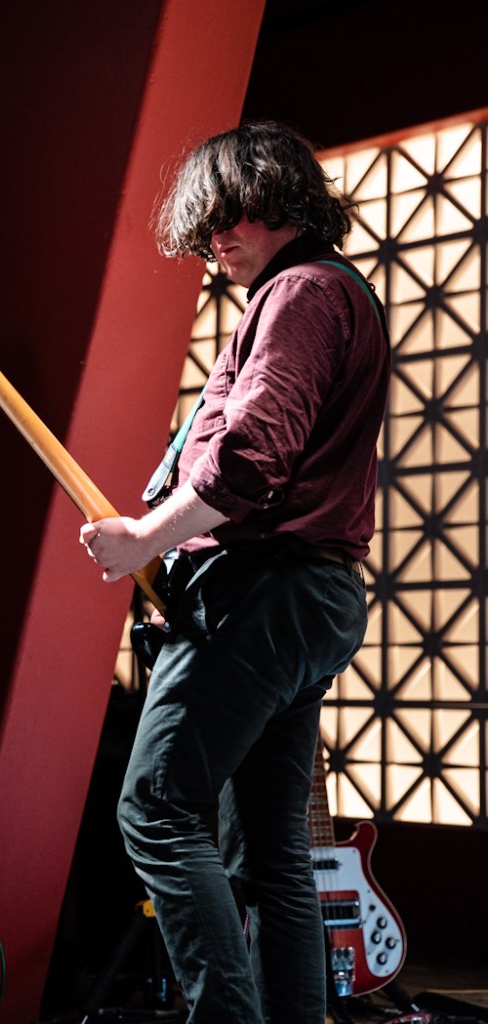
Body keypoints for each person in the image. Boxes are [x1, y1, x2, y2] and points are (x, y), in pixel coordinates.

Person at [79, 120, 390, 1024]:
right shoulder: (333, 293)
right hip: (310, 600)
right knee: (268, 849)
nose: (215, 234)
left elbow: (250, 460)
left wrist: (147, 536)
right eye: (206, 219)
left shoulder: (300, 292)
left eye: (233, 211)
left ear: (280, 198)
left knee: (156, 811)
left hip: (262, 593)